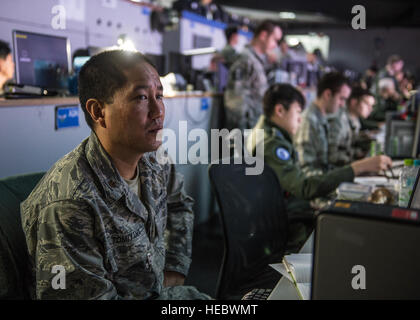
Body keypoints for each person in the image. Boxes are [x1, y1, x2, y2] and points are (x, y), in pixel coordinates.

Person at [21, 50, 211, 300]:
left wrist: (174, 267)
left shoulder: (154, 157)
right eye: (142, 97)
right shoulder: (71, 203)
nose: (158, 111)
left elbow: (179, 205)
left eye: (159, 96)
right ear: (98, 112)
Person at [246, 83, 392, 252]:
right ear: (280, 111)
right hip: (287, 225)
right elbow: (304, 187)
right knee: (357, 239)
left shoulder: (270, 133)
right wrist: (356, 168)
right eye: (298, 112)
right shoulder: (272, 144)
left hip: (287, 212)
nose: (300, 119)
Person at [224, 20, 282, 130]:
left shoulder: (256, 60)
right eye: (274, 40)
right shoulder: (245, 59)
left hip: (254, 126)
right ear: (264, 35)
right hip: (245, 131)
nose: (275, 45)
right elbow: (235, 103)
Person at [294, 72, 351, 176]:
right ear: (328, 94)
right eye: (341, 99)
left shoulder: (321, 118)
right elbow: (304, 172)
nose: (342, 104)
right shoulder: (309, 121)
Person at [328, 86, 376, 167]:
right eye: (367, 104)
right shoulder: (339, 121)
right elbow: (332, 156)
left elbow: (347, 146)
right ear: (353, 102)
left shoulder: (355, 119)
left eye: (372, 106)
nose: (370, 109)